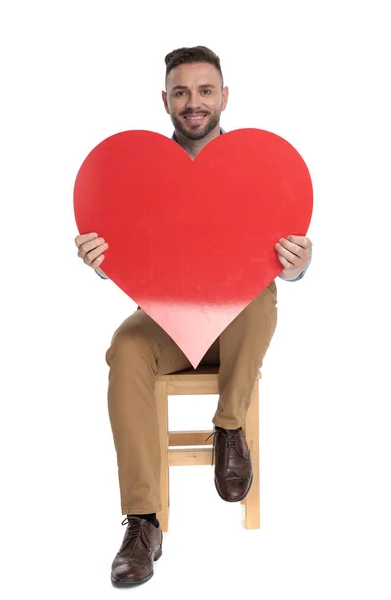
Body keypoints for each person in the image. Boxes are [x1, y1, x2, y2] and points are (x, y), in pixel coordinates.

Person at [74, 45, 313, 586]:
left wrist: (299, 266)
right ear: (165, 101)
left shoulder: (257, 168)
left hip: (237, 322)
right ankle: (143, 523)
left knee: (260, 295)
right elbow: (129, 255)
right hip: (165, 319)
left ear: (224, 97)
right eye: (181, 92)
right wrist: (99, 263)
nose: (193, 102)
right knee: (127, 346)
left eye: (205, 90)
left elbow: (282, 254)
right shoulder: (138, 173)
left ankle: (228, 428)